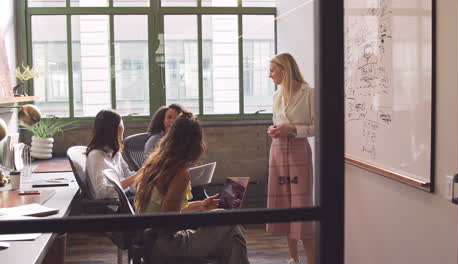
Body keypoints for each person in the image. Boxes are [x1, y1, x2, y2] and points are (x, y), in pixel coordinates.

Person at [134, 113, 249, 264]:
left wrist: (201, 205)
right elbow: (170, 222)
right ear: (194, 143)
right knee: (231, 227)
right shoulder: (179, 173)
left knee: (232, 234)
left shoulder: (156, 163)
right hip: (166, 246)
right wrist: (206, 219)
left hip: (151, 240)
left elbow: (167, 210)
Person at [267, 53, 315, 264]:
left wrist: (292, 129)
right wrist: (273, 129)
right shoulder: (277, 95)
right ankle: (293, 259)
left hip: (298, 151)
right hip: (277, 151)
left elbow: (317, 127)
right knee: (285, 204)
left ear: (285, 70)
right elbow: (276, 123)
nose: (270, 75)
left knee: (301, 205)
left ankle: (312, 260)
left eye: (272, 70)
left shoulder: (309, 93)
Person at [86, 109, 137, 200]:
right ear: (112, 130)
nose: (123, 128)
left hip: (125, 196)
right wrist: (135, 177)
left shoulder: (115, 152)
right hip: (116, 205)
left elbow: (128, 176)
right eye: (120, 125)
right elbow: (102, 193)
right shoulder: (96, 156)